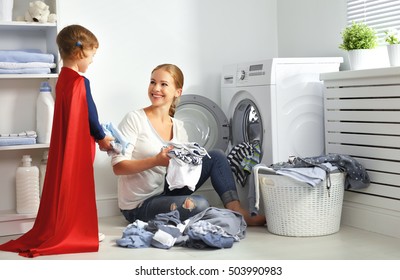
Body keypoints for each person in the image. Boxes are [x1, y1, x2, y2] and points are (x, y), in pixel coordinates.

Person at [0, 24, 113, 258]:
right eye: (92, 56)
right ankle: (80, 230)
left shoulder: (63, 79)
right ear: (80, 53)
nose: (92, 61)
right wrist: (103, 138)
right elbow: (91, 116)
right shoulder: (81, 82)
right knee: (79, 185)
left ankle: (73, 226)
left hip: (65, 145)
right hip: (80, 145)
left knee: (67, 184)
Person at [112, 63, 266, 226]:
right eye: (152, 82)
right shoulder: (134, 119)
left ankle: (236, 210)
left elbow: (181, 171)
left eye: (163, 84)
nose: (156, 88)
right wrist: (156, 161)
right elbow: (118, 167)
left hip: (168, 190)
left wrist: (187, 161)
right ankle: (205, 212)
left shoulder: (179, 127)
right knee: (199, 203)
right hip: (140, 205)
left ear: (177, 92)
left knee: (216, 156)